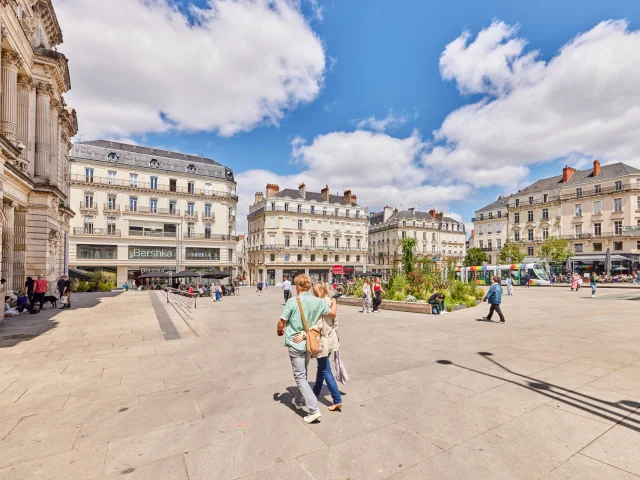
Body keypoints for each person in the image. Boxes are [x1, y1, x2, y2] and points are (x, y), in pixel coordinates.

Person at [277, 274, 337, 424]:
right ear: (309, 286)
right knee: (303, 373)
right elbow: (332, 312)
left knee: (299, 376)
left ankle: (313, 409)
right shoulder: (317, 301)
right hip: (310, 342)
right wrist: (335, 300)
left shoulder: (292, 301)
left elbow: (281, 322)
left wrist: (279, 330)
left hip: (296, 343)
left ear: (297, 287)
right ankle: (298, 401)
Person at [308, 282, 342, 411]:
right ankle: (315, 393)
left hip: (322, 340)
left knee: (325, 369)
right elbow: (336, 322)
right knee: (322, 367)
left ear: (316, 292)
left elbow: (318, 324)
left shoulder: (319, 304)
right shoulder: (331, 302)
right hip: (331, 339)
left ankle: (337, 399)